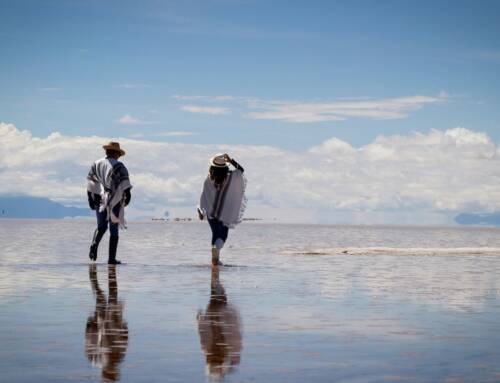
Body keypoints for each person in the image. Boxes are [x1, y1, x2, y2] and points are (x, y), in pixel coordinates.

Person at [87, 142, 132, 264]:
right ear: (116, 153)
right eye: (118, 154)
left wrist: (90, 199)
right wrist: (128, 196)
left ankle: (94, 244)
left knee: (101, 227)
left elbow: (91, 183)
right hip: (115, 199)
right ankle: (111, 259)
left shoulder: (96, 164)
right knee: (114, 228)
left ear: (107, 152)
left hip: (99, 199)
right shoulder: (119, 166)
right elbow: (125, 184)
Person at [198, 153, 246, 266]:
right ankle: (216, 255)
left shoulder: (209, 179)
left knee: (215, 234)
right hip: (225, 212)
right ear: (225, 166)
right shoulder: (231, 177)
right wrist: (231, 160)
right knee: (223, 236)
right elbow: (241, 170)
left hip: (210, 212)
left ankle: (214, 260)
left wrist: (201, 210)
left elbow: (203, 195)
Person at [85, 264, 129, 382]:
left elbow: (124, 338)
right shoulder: (113, 359)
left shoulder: (97, 359)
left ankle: (94, 277)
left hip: (103, 324)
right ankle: (94, 277)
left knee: (105, 299)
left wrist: (91, 325)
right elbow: (124, 338)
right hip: (108, 323)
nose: (116, 370)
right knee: (108, 297)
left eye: (114, 373)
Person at [197, 267, 242, 379]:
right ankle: (215, 271)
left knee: (217, 294)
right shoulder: (220, 350)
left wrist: (200, 319)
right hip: (218, 315)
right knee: (218, 294)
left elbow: (202, 333)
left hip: (216, 315)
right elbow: (235, 336)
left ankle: (215, 271)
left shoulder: (209, 349)